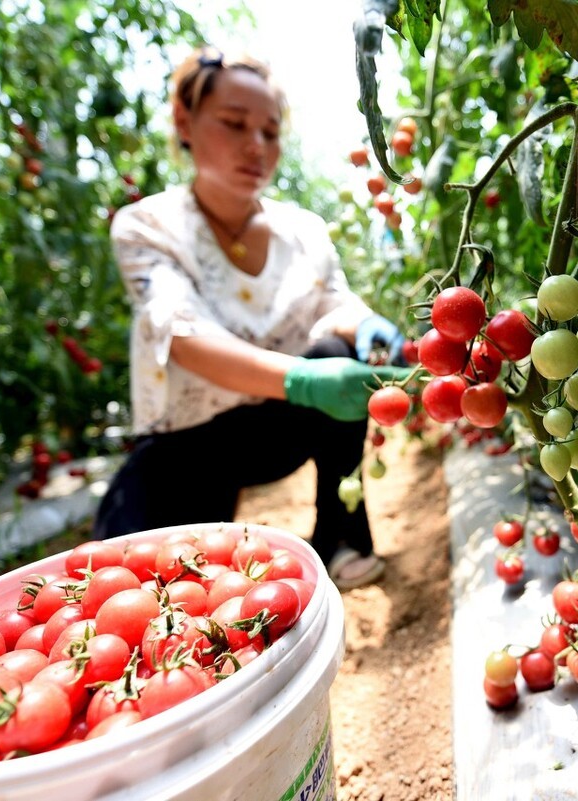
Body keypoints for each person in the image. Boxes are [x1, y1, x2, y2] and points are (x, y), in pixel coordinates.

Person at [92, 45, 409, 591]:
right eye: (235, 124)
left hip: (277, 424)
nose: (255, 146)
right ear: (185, 123)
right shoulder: (146, 227)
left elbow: (334, 301)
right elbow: (182, 336)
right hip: (188, 442)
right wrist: (300, 379)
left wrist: (366, 327)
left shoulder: (302, 230)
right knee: (131, 582)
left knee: (338, 352)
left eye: (270, 131)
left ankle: (340, 538)